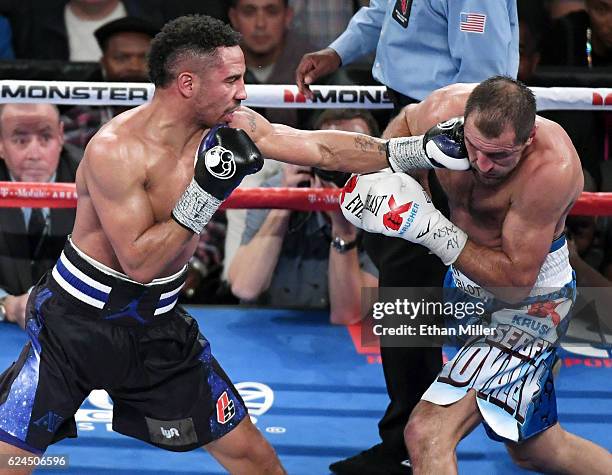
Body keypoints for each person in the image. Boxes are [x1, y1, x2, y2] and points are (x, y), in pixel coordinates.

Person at [0, 15, 429, 472]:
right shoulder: (116, 149)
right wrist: (205, 191)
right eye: (232, 79)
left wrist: (411, 151)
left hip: (156, 325)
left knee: (257, 460)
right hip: (75, 327)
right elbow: (140, 263)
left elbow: (319, 148)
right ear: (187, 83)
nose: (244, 91)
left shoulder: (231, 125)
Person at [342, 76, 612, 474]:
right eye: (475, 150)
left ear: (528, 137)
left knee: (428, 433)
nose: (483, 165)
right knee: (536, 448)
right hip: (470, 292)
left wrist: (426, 224)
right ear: (463, 124)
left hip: (531, 304)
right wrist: (403, 178)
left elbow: (516, 281)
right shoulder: (439, 112)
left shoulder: (551, 167)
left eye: (499, 155)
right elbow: (389, 131)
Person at [295, 2, 519, 473]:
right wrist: (338, 53)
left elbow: (484, 87)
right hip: (410, 116)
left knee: (413, 284)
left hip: (451, 135)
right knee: (405, 282)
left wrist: (428, 157)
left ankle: (412, 439)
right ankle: (408, 436)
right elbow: (385, 11)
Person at [228, 110, 380, 324]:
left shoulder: (383, 207)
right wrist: (286, 201)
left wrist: (342, 228)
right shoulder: (277, 188)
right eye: (334, 154)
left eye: (353, 156)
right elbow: (245, 288)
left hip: (338, 341)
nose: (341, 169)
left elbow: (348, 314)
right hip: (266, 331)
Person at [0, 103, 80, 329]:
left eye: (45, 137)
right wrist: (6, 304)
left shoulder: (95, 177)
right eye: (20, 140)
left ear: (61, 136)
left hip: (73, 328)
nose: (34, 154)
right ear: (0, 143)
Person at [62, 16, 159, 151]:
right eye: (121, 58)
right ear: (104, 63)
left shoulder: (177, 114)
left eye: (145, 58)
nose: (134, 66)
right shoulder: (79, 118)